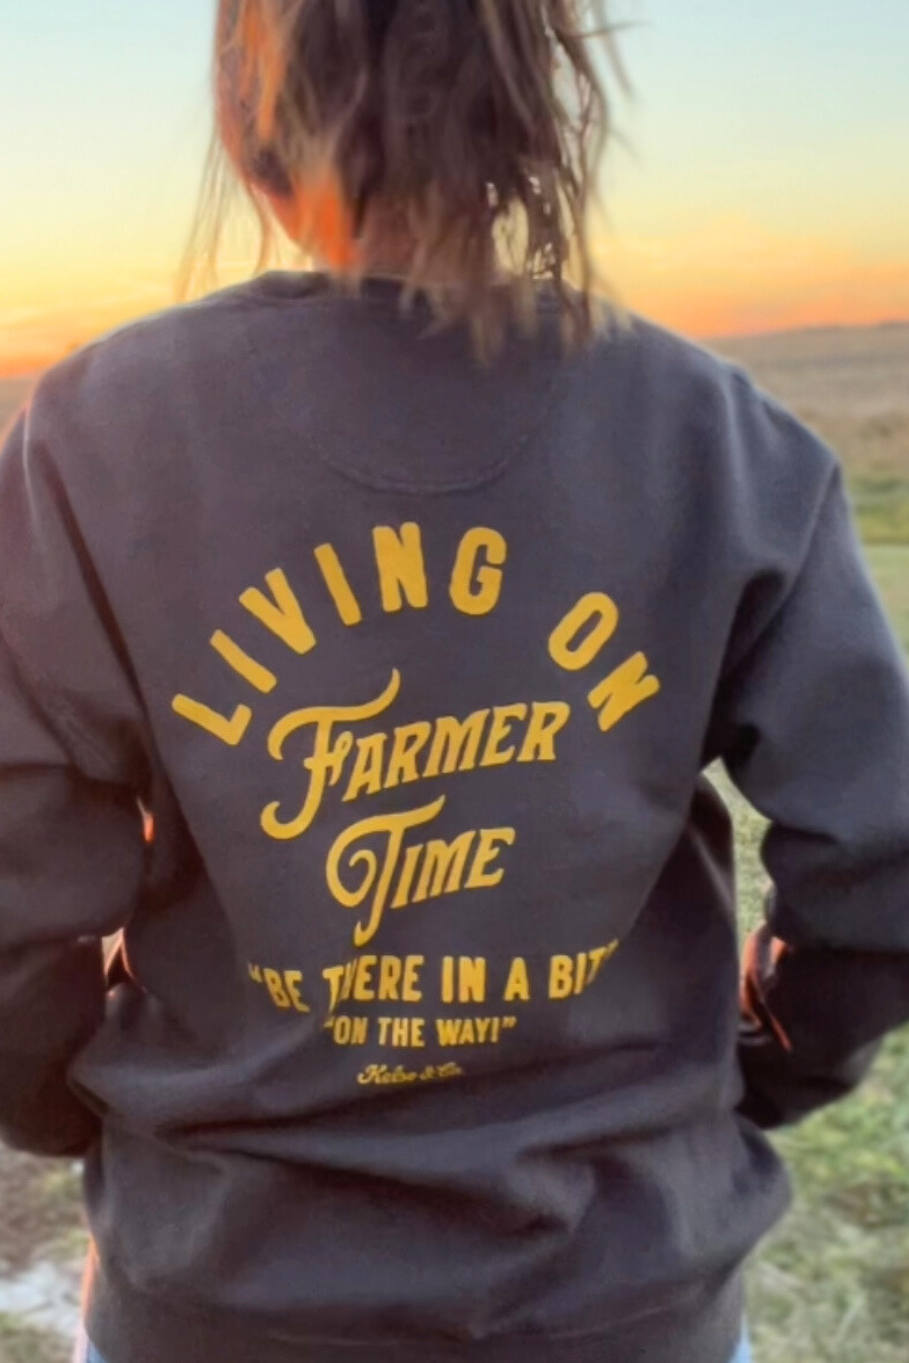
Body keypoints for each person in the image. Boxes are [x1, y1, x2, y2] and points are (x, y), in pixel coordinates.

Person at [1, 3, 907, 1363]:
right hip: (624, 1297)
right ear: (531, 120)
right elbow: (880, 861)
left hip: (217, 1299)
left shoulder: (91, 434)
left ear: (252, 128)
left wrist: (67, 1104)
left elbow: (14, 895)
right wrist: (758, 1062)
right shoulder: (720, 439)